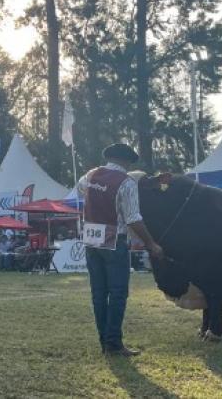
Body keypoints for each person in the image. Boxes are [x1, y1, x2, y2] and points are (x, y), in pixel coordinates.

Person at [77, 143, 164, 357]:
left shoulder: (90, 176)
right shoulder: (126, 183)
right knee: (117, 293)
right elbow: (134, 218)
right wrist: (151, 244)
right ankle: (114, 343)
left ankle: (104, 341)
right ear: (126, 161)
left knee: (99, 294)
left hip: (91, 239)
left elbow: (81, 190)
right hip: (114, 240)